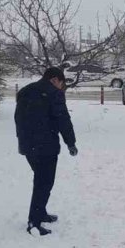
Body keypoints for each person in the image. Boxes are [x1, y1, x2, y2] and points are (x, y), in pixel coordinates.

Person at [15, 67, 77, 236]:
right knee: (44, 183)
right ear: (55, 79)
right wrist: (71, 143)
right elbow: (63, 119)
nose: (61, 87)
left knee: (41, 180)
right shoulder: (54, 94)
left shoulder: (25, 91)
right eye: (61, 83)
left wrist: (22, 140)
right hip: (46, 147)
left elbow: (18, 118)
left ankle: (40, 213)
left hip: (28, 146)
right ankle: (34, 223)